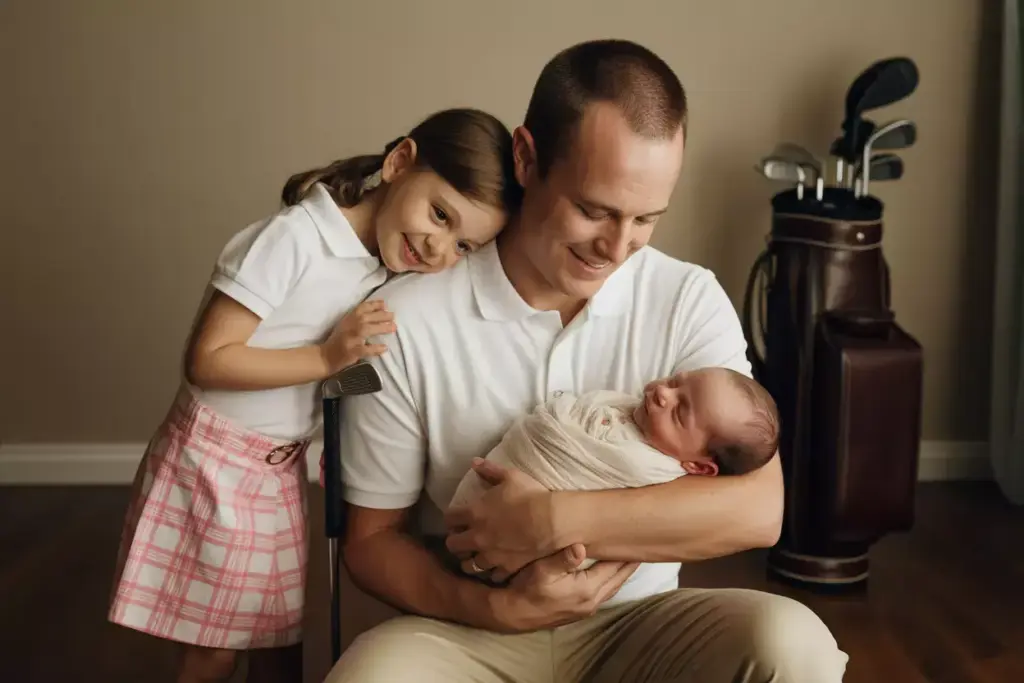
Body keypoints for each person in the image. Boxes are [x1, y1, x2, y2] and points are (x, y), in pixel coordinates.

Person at [325, 39, 849, 682]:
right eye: (593, 210)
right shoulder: (405, 319)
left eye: (645, 219)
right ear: (526, 158)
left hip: (640, 628)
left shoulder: (685, 298)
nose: (616, 246)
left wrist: (554, 521)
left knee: (796, 645)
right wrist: (496, 608)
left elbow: (758, 509)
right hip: (467, 631)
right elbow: (372, 544)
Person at [106, 107, 520, 683]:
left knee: (276, 637)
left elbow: (324, 378)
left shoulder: (382, 273)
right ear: (400, 162)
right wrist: (329, 355)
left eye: (465, 246)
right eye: (440, 214)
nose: (439, 247)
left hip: (277, 472)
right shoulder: (296, 238)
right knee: (214, 648)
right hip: (214, 463)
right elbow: (208, 360)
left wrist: (353, 390)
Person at [447, 366, 781, 580]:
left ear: (697, 467)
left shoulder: (653, 469)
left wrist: (548, 514)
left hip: (545, 574)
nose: (664, 393)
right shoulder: (626, 410)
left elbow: (761, 519)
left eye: (680, 412)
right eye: (676, 382)